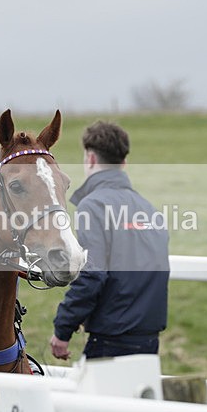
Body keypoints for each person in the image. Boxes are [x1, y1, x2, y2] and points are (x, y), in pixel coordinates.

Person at [49, 121, 169, 360]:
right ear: (123, 162)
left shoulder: (92, 205)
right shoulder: (150, 210)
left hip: (110, 339)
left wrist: (62, 329)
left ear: (91, 159)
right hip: (149, 339)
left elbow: (92, 274)